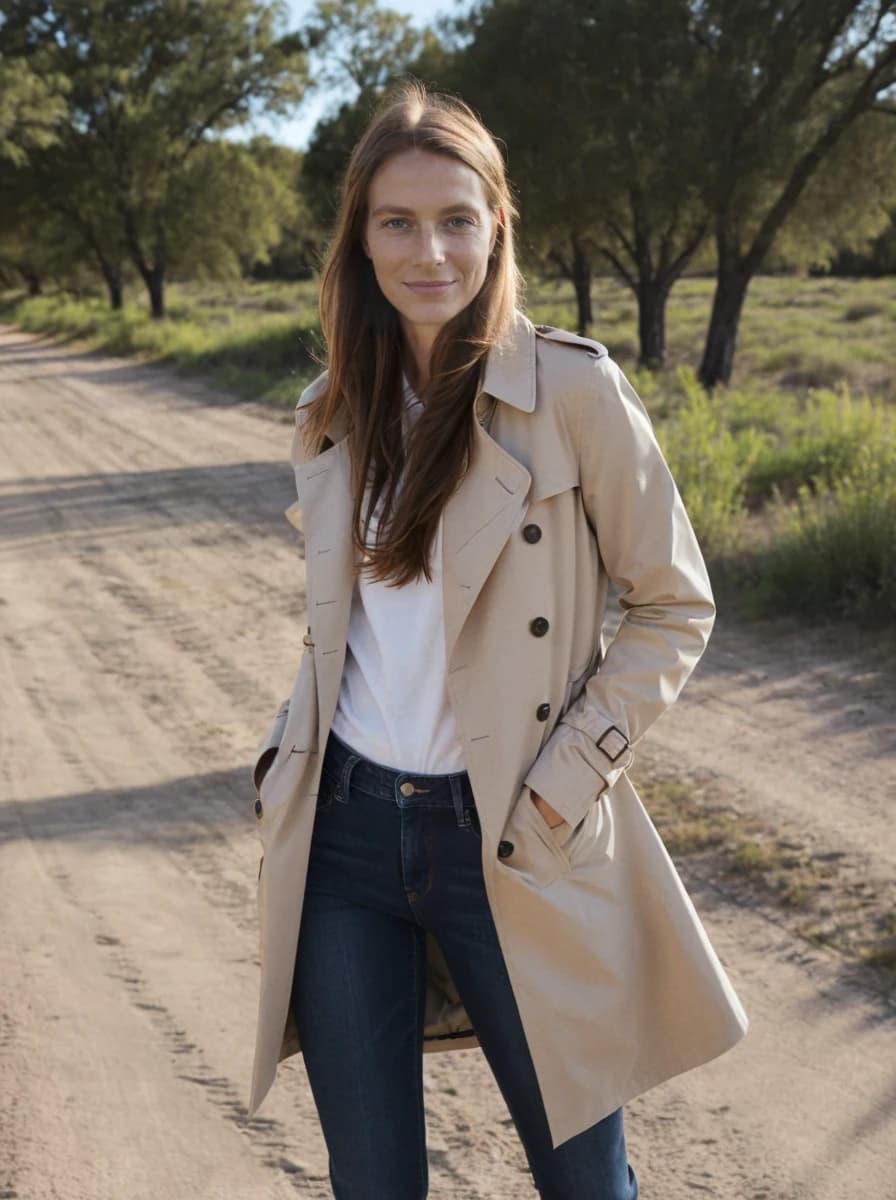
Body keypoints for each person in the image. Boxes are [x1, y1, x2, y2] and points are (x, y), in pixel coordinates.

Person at [247, 81, 749, 1199]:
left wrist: (564, 783)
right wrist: (289, 748)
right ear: (359, 238)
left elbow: (673, 603)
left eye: (455, 218)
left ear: (496, 228)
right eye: (396, 221)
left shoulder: (568, 390)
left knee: (581, 1179)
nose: (428, 249)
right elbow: (345, 627)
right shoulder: (331, 408)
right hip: (345, 838)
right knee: (370, 1183)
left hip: (514, 828)